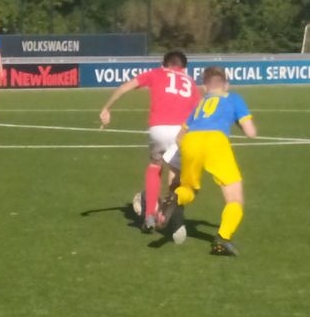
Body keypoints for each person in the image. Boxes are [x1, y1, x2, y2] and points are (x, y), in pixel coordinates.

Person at [99, 50, 200, 236]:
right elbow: (199, 111)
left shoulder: (156, 73)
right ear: (184, 68)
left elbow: (125, 87)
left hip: (158, 128)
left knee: (155, 165)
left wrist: (107, 108)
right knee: (176, 173)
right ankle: (169, 215)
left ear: (164, 64)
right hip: (181, 131)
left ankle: (149, 216)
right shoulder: (190, 82)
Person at [162, 66, 256, 256]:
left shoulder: (200, 104)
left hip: (190, 141)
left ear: (205, 87)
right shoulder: (234, 98)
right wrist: (237, 121)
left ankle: (176, 197)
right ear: (226, 85)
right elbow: (251, 132)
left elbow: (179, 137)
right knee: (235, 198)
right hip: (215, 141)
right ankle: (222, 239)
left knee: (189, 189)